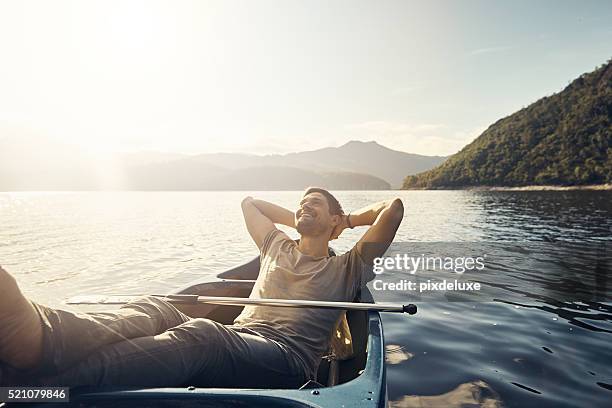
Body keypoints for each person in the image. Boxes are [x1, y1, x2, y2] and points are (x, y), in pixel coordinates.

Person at [0, 187, 403, 387]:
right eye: (301, 201)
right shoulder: (276, 246)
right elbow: (250, 204)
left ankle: (43, 384)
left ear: (335, 220)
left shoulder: (350, 266)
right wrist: (304, 215)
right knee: (158, 308)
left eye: (314, 202)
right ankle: (44, 336)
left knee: (203, 336)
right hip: (241, 335)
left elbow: (394, 209)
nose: (303, 206)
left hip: (287, 357)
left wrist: (345, 219)